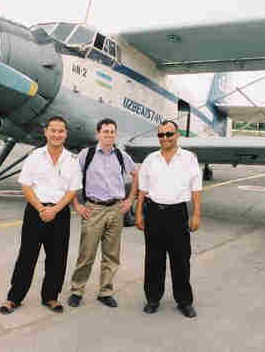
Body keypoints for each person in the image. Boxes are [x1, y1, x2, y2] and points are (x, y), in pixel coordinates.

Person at [0, 116, 82, 314]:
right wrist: (40, 208)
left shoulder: (72, 160)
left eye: (61, 131)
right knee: (27, 256)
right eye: (53, 130)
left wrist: (55, 209)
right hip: (35, 212)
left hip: (60, 213)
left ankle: (51, 297)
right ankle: (14, 298)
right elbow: (25, 185)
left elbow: (72, 190)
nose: (56, 134)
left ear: (66, 134)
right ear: (46, 132)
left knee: (57, 258)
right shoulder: (35, 156)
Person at [68, 118, 138, 308]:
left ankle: (105, 292)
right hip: (94, 209)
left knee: (111, 255)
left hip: (116, 210)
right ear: (98, 134)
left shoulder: (122, 156)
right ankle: (77, 290)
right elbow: (72, 177)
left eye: (112, 132)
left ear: (115, 134)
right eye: (105, 132)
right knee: (86, 253)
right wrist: (76, 204)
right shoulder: (86, 154)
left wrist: (130, 200)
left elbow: (136, 174)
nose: (109, 135)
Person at [135, 119, 202, 318]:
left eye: (169, 134)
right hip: (154, 213)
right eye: (161, 135)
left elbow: (196, 188)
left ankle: (184, 301)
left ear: (177, 135)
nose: (165, 138)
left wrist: (196, 214)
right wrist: (139, 213)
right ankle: (153, 299)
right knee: (153, 259)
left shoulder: (189, 158)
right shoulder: (150, 159)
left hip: (177, 214)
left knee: (180, 259)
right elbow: (143, 189)